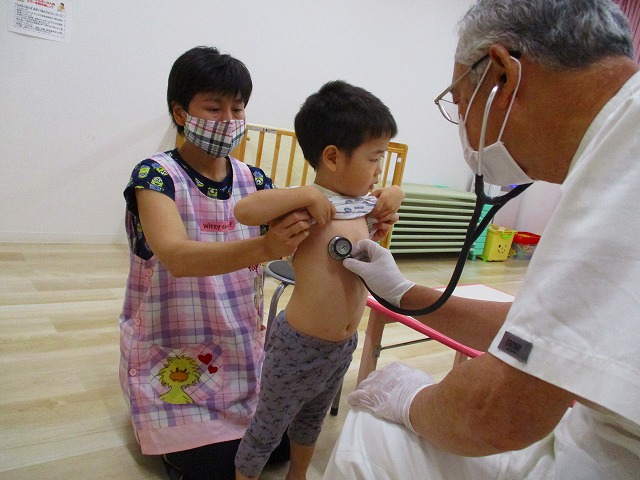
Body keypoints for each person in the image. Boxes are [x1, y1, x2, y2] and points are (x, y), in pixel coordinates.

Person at [323, 1, 640, 479]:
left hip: (607, 459)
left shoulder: (624, 156)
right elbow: (542, 335)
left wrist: (408, 400)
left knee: (372, 432)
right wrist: (405, 293)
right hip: (602, 439)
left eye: (457, 103)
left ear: (502, 77)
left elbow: (497, 415)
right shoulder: (621, 138)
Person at [119, 46, 309, 480]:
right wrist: (265, 247)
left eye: (237, 108)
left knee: (279, 449)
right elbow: (177, 257)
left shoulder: (254, 180)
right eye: (214, 107)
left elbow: (300, 243)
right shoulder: (155, 176)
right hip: (175, 344)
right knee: (215, 468)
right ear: (180, 112)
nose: (228, 119)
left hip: (239, 344)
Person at [231, 80, 405, 480]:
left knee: (311, 423)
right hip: (298, 347)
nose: (379, 169)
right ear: (332, 157)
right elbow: (245, 210)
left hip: (341, 346)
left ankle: (298, 475)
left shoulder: (362, 205)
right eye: (374, 158)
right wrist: (304, 195)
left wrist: (394, 195)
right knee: (267, 428)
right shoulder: (310, 206)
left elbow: (392, 195)